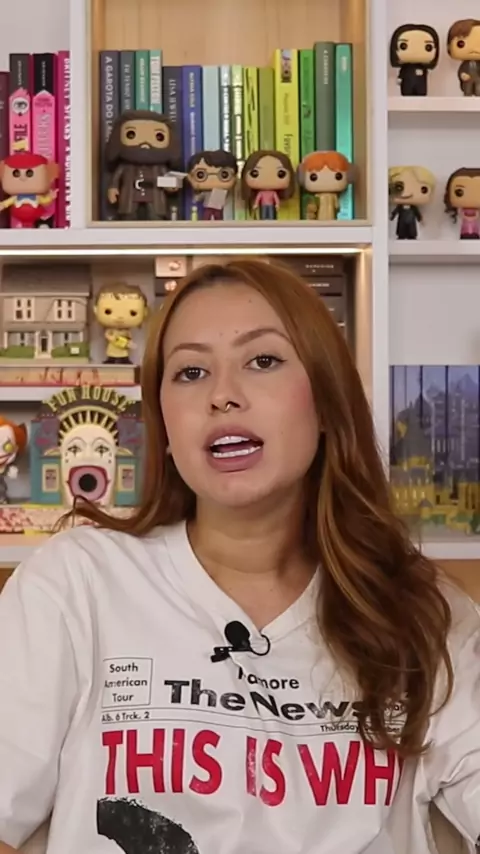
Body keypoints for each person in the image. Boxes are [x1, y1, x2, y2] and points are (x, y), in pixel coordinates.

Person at [0, 258, 478, 854]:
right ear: (165, 427)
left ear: (327, 402)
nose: (222, 395)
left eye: (263, 361)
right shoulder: (78, 583)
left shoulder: (426, 615)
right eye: (191, 372)